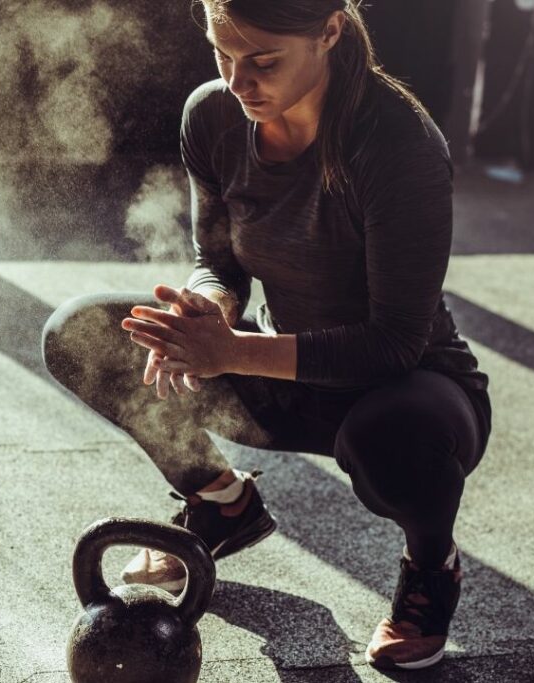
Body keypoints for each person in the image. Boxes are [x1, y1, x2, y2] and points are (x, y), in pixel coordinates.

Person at [42, 0, 491, 671]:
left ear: (330, 31)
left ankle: (431, 568)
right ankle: (220, 503)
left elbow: (394, 341)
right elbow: (219, 263)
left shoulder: (401, 144)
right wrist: (206, 311)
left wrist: (232, 350)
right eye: (223, 53)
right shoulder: (214, 115)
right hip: (285, 381)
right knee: (79, 332)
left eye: (263, 60)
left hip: (408, 391)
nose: (237, 78)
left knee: (386, 435)